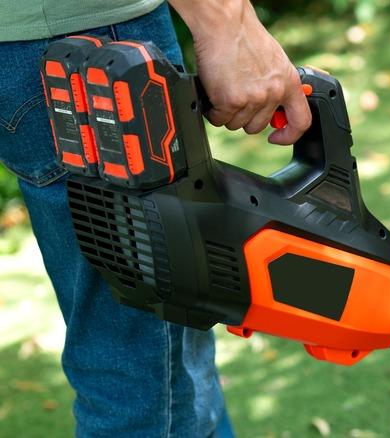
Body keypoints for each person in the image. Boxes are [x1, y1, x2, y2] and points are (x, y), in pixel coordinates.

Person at [0, 0, 311, 436]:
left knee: (175, 359)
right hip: (94, 39)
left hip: (20, 46)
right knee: (147, 387)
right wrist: (224, 19)